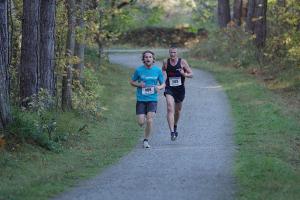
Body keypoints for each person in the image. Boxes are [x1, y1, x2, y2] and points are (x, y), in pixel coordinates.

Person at [130, 50, 165, 148]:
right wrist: (139, 84)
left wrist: (159, 87)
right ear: (143, 59)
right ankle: (144, 122)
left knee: (149, 120)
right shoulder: (139, 70)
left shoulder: (157, 70)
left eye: (150, 57)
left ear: (153, 59)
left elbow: (163, 83)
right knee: (141, 122)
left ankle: (146, 140)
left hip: (152, 99)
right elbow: (132, 82)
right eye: (146, 57)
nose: (148, 58)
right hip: (141, 99)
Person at [162, 47, 193, 141]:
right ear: (169, 53)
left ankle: (175, 126)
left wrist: (184, 74)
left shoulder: (183, 62)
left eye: (174, 52)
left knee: (177, 111)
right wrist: (162, 78)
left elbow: (191, 74)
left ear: (177, 53)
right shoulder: (165, 62)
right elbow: (163, 71)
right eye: (171, 52)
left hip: (180, 89)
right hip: (169, 88)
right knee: (169, 107)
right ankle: (172, 132)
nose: (172, 54)